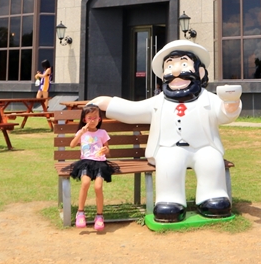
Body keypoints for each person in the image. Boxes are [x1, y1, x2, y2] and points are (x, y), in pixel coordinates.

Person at [90, 40, 242, 224]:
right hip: (169, 148)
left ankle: (212, 197)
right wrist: (108, 103)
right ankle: (171, 201)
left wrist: (231, 105)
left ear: (200, 73)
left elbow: (224, 113)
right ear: (163, 75)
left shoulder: (209, 99)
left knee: (211, 162)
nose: (176, 71)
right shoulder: (158, 102)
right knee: (170, 164)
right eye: (169, 66)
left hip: (204, 146)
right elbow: (133, 110)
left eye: (184, 64)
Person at [66, 104, 118, 231]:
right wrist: (80, 134)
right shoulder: (81, 132)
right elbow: (72, 145)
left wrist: (106, 150)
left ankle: (99, 216)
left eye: (96, 117)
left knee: (98, 187)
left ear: (100, 119)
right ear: (84, 119)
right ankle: (80, 213)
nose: (93, 120)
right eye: (90, 118)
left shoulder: (102, 133)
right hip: (86, 162)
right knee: (85, 183)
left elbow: (107, 150)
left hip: (100, 162)